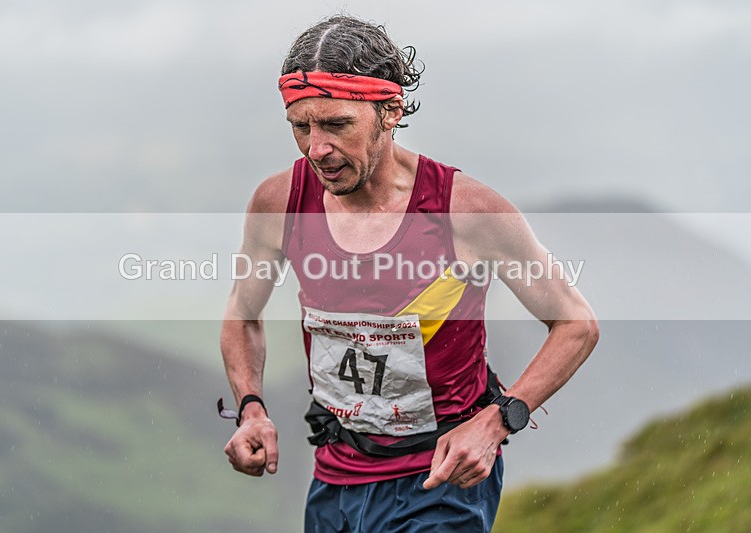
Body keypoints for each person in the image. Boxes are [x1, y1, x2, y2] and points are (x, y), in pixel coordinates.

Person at [220, 15, 599, 532]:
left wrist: (495, 423)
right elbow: (242, 315)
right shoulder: (279, 203)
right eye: (300, 127)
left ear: (390, 110)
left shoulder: (464, 211)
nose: (316, 149)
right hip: (335, 478)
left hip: (441, 484)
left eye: (335, 125)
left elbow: (576, 323)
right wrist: (251, 409)